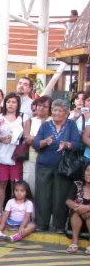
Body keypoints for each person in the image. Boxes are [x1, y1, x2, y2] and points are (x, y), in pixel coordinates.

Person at [33, 99, 82, 232]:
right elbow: (36, 143)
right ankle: (42, 224)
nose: (57, 113)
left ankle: (58, 226)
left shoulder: (71, 125)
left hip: (63, 167)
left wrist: (67, 144)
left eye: (60, 110)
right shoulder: (45, 125)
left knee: (60, 195)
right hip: (44, 164)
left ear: (66, 113)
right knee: (42, 195)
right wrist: (45, 142)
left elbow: (77, 144)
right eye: (54, 110)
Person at [0, 93, 24, 216]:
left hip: (16, 155)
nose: (10, 104)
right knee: (1, 183)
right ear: (4, 103)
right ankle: (0, 210)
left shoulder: (22, 117)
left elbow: (26, 135)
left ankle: (13, 210)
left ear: (18, 104)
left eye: (14, 102)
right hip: (2, 154)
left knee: (15, 184)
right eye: (8, 102)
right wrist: (1, 139)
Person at [22, 96, 52, 194]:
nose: (41, 108)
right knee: (29, 185)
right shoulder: (30, 120)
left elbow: (52, 139)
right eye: (39, 105)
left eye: (45, 106)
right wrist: (39, 140)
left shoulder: (52, 122)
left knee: (43, 188)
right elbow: (26, 138)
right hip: (31, 158)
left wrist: (34, 138)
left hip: (47, 159)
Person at [65, 162, 90, 254]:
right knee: (75, 211)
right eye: (87, 170)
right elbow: (68, 200)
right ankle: (74, 242)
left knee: (88, 213)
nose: (89, 173)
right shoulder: (77, 184)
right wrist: (76, 207)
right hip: (75, 224)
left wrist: (87, 207)